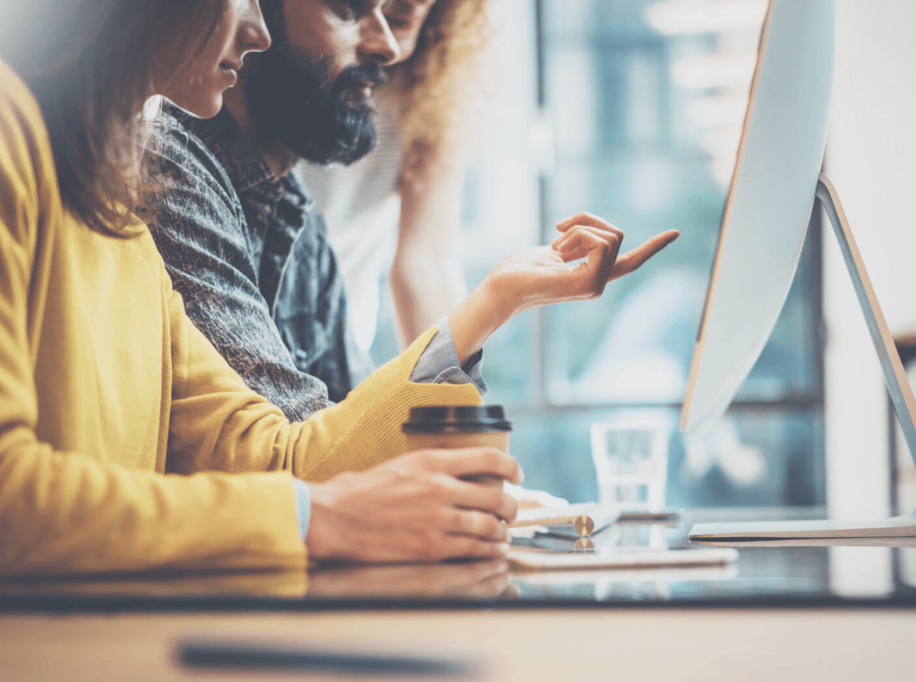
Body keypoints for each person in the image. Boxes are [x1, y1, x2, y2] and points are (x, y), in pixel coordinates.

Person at [0, 0, 678, 576]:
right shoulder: (14, 133)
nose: (258, 28)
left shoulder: (121, 201)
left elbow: (279, 455)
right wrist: (311, 517)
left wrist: (497, 298)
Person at [295, 0, 488, 357]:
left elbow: (426, 261)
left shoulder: (436, 84)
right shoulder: (281, 71)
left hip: (341, 352)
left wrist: (449, 409)